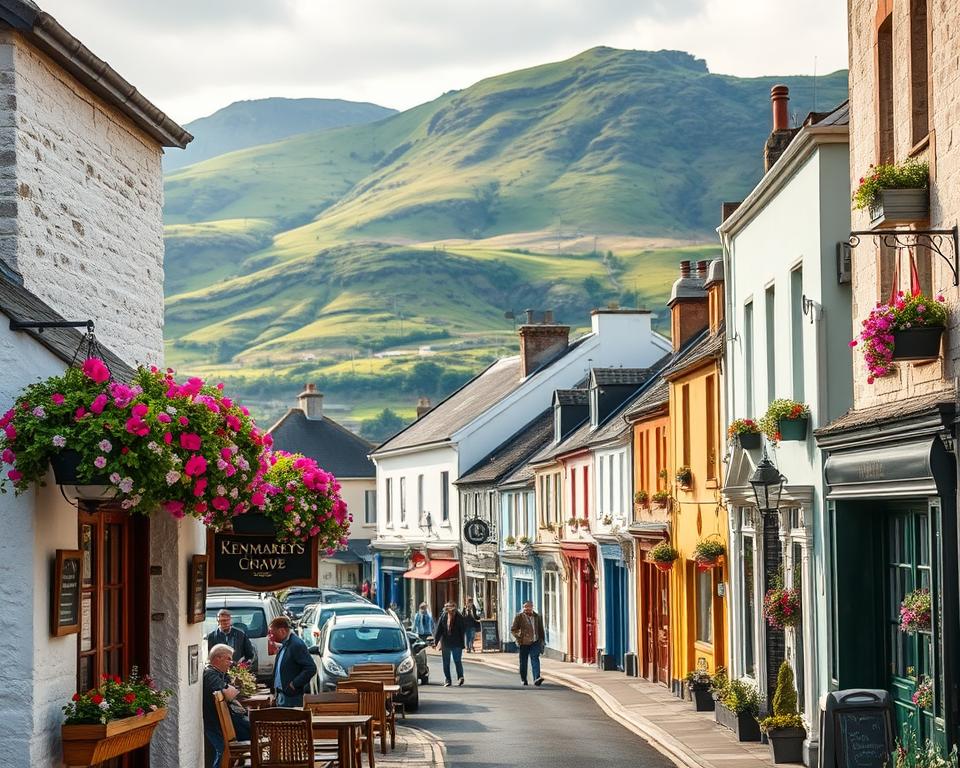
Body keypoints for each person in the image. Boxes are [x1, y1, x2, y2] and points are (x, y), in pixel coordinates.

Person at [203, 643, 251, 768]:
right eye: (228, 658)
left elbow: (232, 691)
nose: (231, 662)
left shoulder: (220, 673)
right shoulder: (211, 674)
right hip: (216, 723)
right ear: (217, 658)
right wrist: (230, 689)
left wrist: (231, 689)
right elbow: (229, 694)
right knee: (223, 751)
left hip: (228, 720)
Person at [269, 616, 316, 707]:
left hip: (292, 697)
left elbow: (311, 668)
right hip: (282, 695)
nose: (271, 636)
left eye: (272, 633)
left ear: (282, 631)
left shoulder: (296, 645)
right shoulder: (284, 644)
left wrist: (294, 684)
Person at [510, 600, 545, 686]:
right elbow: (513, 629)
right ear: (523, 608)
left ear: (532, 607)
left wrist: (542, 640)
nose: (527, 609)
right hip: (523, 643)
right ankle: (523, 679)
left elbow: (541, 630)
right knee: (523, 662)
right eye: (525, 607)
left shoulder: (537, 617)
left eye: (529, 607)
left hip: (535, 642)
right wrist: (519, 636)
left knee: (535, 658)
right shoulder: (519, 617)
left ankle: (537, 678)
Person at [432, 601, 466, 687]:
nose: (451, 611)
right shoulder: (443, 617)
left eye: (452, 609)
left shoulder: (459, 617)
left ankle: (460, 677)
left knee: (457, 661)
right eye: (448, 608)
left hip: (457, 643)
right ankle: (448, 680)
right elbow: (439, 630)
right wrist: (435, 642)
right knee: (446, 662)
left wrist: (462, 644)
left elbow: (463, 630)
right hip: (446, 643)